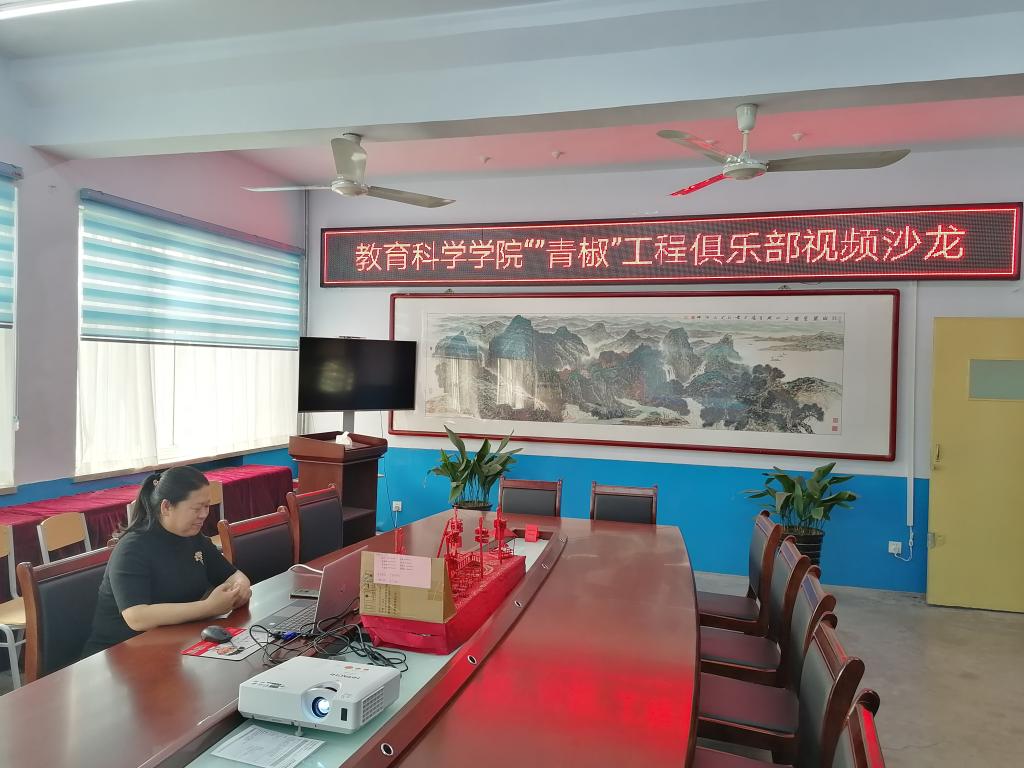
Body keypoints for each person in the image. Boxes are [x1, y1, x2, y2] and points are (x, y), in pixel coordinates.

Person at [83, 466, 251, 656]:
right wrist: (209, 607)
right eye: (197, 508)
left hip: (172, 644)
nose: (204, 514)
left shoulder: (193, 537)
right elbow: (136, 617)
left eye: (207, 506)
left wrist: (240, 589)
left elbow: (233, 575)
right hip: (122, 653)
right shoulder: (132, 548)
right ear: (166, 507)